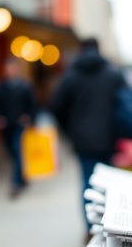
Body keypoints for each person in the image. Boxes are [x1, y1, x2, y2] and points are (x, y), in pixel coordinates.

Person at [51, 38, 125, 233]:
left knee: (87, 183)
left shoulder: (71, 76)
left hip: (82, 140)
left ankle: (90, 228)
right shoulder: (113, 74)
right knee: (109, 183)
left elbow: (56, 106)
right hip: (110, 138)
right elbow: (127, 104)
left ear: (81, 50)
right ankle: (109, 226)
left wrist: (69, 131)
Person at [0, 58, 36, 198]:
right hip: (6, 127)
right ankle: (23, 177)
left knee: (18, 151)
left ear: (17, 69)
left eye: (12, 68)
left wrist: (28, 118)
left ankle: (15, 184)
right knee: (12, 154)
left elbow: (33, 106)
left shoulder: (25, 86)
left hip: (20, 126)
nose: (10, 71)